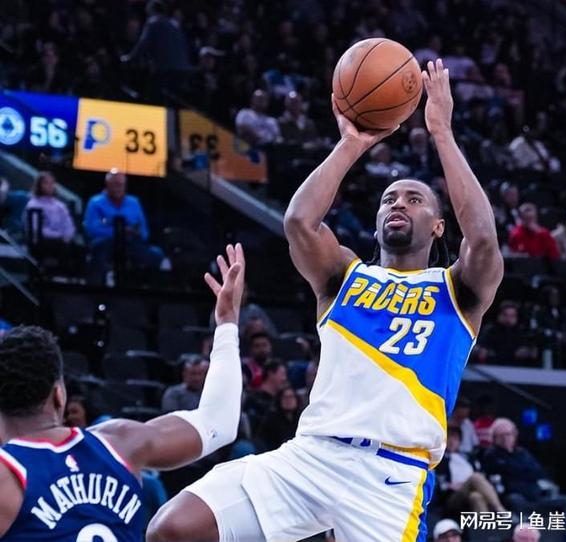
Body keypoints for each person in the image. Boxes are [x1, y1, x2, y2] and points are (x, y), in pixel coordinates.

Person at [147, 58, 502, 542]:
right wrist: (351, 143)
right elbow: (298, 222)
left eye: (414, 199)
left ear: (439, 227)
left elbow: (483, 239)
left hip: (389, 477)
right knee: (172, 528)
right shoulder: (344, 276)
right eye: (389, 199)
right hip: (312, 455)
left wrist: (441, 131)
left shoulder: (457, 290)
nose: (398, 203)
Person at [0, 245, 245, 540]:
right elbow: (219, 422)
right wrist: (227, 324)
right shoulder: (119, 442)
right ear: (59, 395)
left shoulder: (7, 477)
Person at [83, 169, 166, 284]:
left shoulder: (134, 202)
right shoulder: (95, 202)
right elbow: (91, 228)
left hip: (130, 243)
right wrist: (119, 232)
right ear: (108, 184)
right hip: (105, 243)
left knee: (157, 255)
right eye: (116, 184)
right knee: (99, 252)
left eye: (121, 185)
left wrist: (137, 233)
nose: (119, 188)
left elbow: (144, 232)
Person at [483, 418, 566, 518]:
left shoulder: (523, 453)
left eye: (509, 434)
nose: (506, 438)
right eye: (502, 435)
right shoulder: (492, 455)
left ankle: (564, 528)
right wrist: (521, 471)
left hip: (536, 497)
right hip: (514, 498)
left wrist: (516, 471)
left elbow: (538, 472)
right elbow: (504, 476)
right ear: (494, 438)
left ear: (515, 435)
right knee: (514, 500)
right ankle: (524, 527)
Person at [436, 426, 506, 513]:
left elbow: (481, 474)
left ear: (459, 441)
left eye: (455, 438)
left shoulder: (469, 458)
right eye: (449, 437)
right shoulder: (440, 459)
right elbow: (440, 484)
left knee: (476, 497)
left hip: (473, 490)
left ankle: (484, 521)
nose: (452, 441)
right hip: (452, 496)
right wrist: (450, 485)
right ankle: (500, 509)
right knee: (475, 477)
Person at [243, 360, 290, 432]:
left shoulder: (281, 400)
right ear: (271, 374)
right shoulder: (253, 399)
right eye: (282, 374)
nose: (285, 378)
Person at [256, 386, 301, 451]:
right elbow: (262, 439)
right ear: (279, 400)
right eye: (285, 397)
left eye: (291, 397)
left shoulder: (302, 418)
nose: (288, 400)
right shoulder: (271, 419)